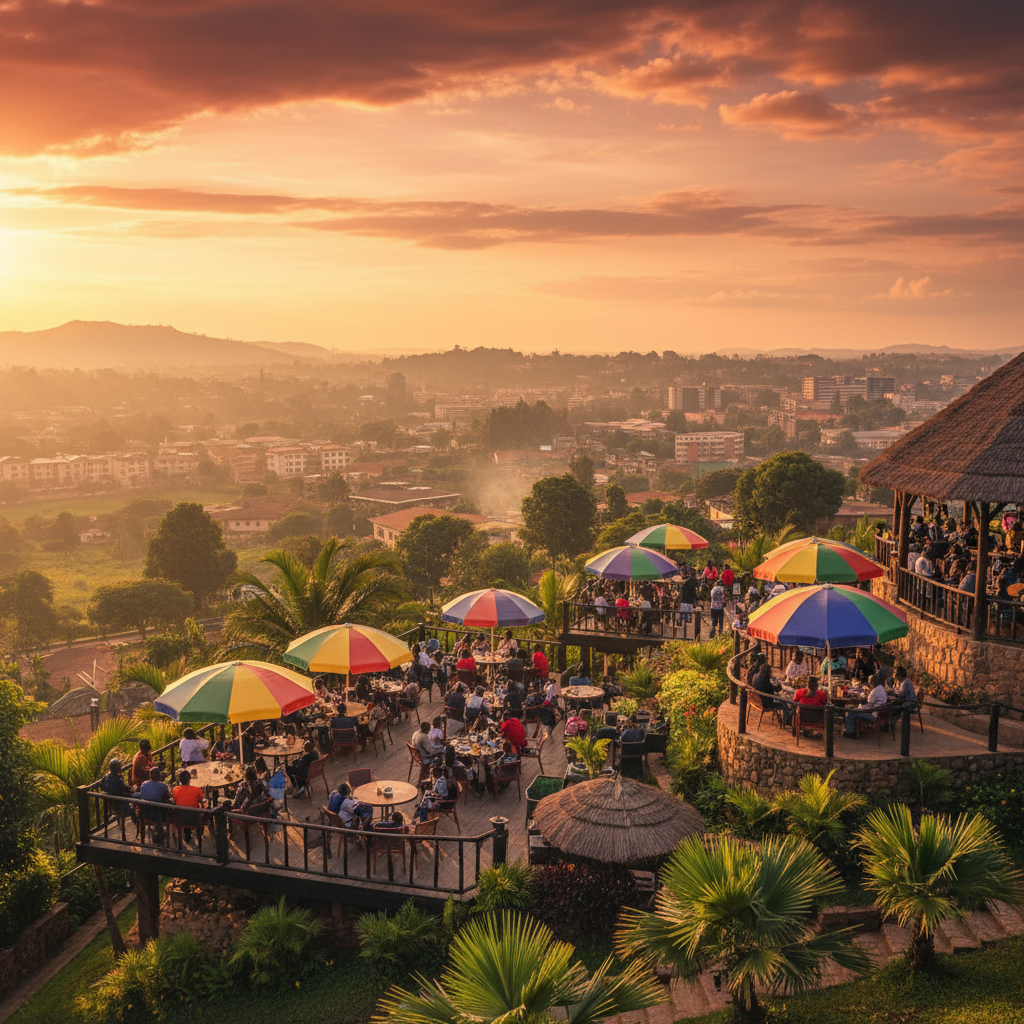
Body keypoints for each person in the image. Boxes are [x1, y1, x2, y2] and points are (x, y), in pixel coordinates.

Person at [844, 673, 890, 737]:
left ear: (872, 683)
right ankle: (853, 728)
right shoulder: (881, 688)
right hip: (879, 713)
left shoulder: (875, 691)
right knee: (853, 708)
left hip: (874, 715)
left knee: (850, 712)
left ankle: (850, 732)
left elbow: (868, 706)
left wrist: (859, 707)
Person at [172, 768, 205, 843]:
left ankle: (186, 835)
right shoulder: (197, 789)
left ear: (179, 780)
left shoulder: (175, 789)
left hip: (180, 818)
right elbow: (201, 801)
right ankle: (200, 831)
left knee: (184, 808)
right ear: (189, 779)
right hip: (194, 818)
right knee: (205, 808)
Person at [139, 766, 171, 841]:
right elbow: (166, 797)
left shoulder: (144, 784)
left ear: (150, 776)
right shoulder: (163, 786)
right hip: (159, 816)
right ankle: (161, 831)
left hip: (145, 814)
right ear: (160, 776)